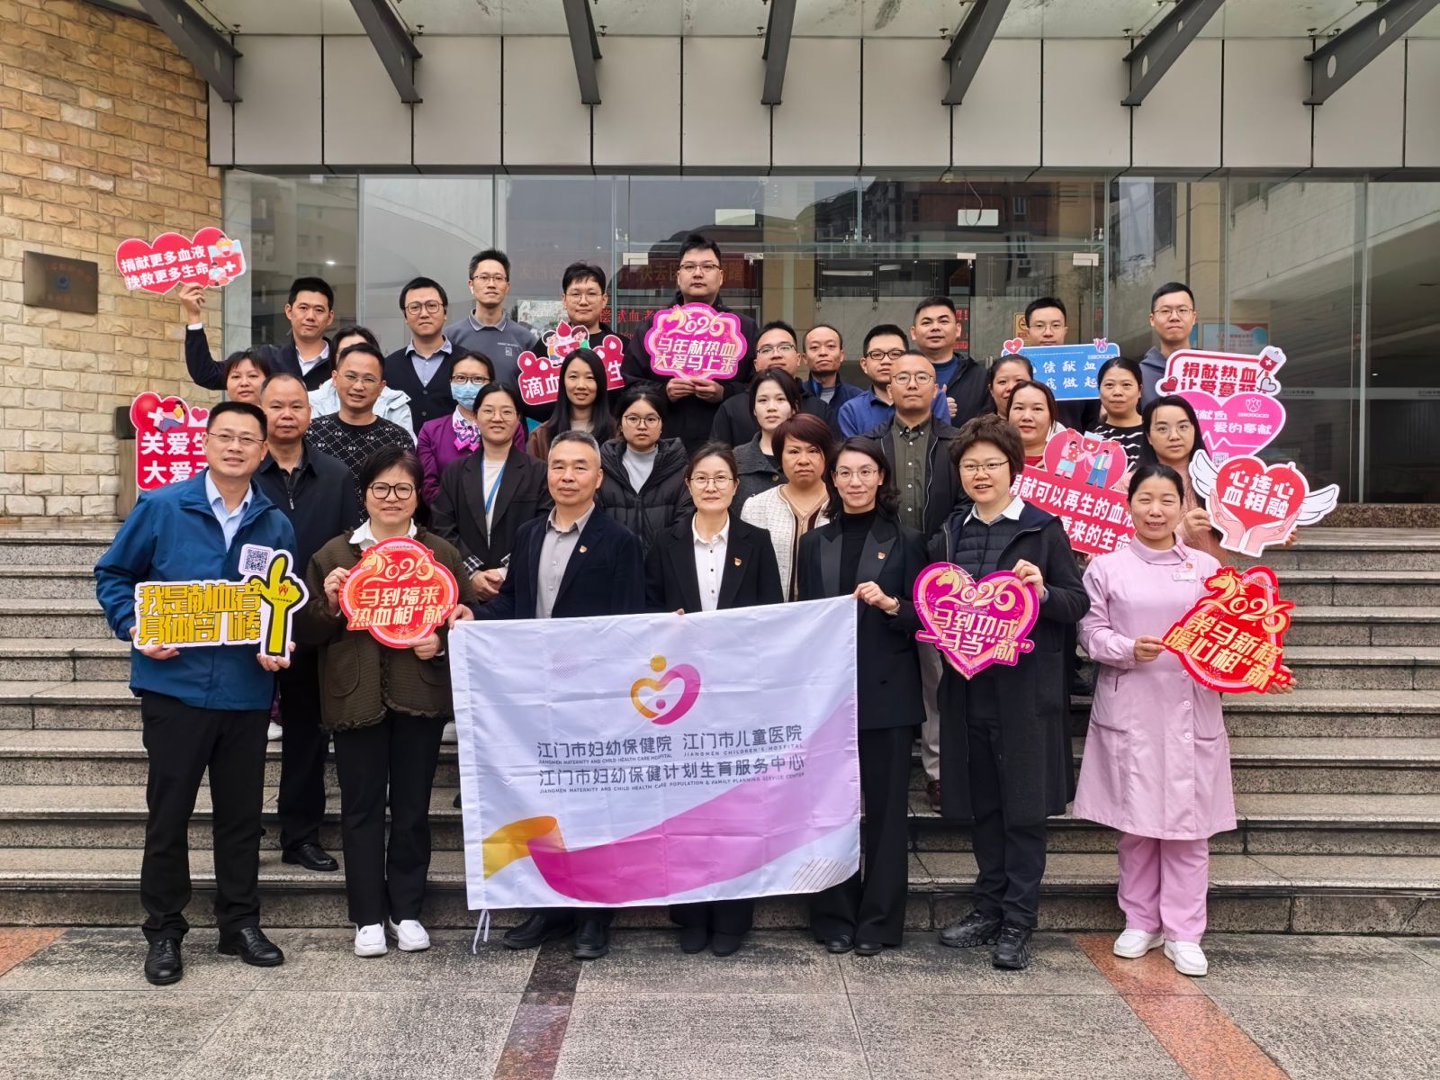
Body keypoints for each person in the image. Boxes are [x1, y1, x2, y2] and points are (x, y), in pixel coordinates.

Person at [94, 401, 296, 986]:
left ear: (263, 451)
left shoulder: (274, 522)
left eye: (247, 440)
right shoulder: (162, 506)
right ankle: (164, 930)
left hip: (245, 691)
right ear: (205, 443)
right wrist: (136, 625)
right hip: (174, 688)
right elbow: (113, 574)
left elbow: (280, 598)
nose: (235, 447)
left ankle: (240, 923)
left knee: (241, 818)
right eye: (225, 436)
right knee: (169, 815)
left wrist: (279, 641)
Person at [1075, 464, 1255, 978]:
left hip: (1190, 706)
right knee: (1135, 826)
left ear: (1182, 506)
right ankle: (1140, 921)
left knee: (1188, 828)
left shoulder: (1205, 567)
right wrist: (1126, 648)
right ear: (1129, 504)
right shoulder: (1105, 567)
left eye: (1166, 501)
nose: (1155, 511)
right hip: (1131, 704)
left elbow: (1236, 629)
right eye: (1145, 499)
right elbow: (1089, 632)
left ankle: (1185, 931)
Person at [297, 447, 477, 959]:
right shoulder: (335, 554)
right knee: (361, 808)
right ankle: (367, 916)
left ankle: (407, 911)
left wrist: (440, 641)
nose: (391, 498)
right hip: (354, 696)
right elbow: (305, 632)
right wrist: (331, 603)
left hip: (419, 693)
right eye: (381, 488)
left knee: (413, 807)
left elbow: (466, 619)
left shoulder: (440, 553)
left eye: (403, 489)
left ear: (418, 497)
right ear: (364, 495)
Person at [476, 430, 647, 960]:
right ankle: (549, 906)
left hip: (594, 698)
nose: (567, 476)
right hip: (537, 694)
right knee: (546, 801)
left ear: (599, 478)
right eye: (558, 466)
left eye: (579, 467)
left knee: (595, 806)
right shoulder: (529, 534)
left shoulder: (620, 541)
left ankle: (595, 914)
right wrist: (470, 617)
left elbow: (629, 626)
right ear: (546, 473)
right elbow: (514, 605)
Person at [932, 415, 1089, 971]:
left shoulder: (1042, 529)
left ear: (1013, 469)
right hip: (968, 689)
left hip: (1024, 694)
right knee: (985, 805)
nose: (981, 474)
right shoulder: (950, 531)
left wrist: (1041, 592)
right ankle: (988, 908)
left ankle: (1019, 920)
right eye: (970, 465)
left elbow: (1076, 603)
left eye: (991, 464)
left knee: (1023, 810)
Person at [644, 443, 784, 956]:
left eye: (720, 478)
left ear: (735, 486)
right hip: (679, 696)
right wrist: (666, 626)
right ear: (688, 486)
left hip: (737, 694)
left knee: (735, 809)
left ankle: (732, 916)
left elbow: (771, 615)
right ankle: (691, 914)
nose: (710, 486)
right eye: (701, 478)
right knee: (685, 808)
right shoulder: (665, 542)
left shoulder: (756, 541)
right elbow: (646, 609)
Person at [800, 438, 926, 955]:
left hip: (887, 695)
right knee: (829, 808)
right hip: (828, 696)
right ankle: (834, 915)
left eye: (865, 472)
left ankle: (880, 922)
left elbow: (926, 619)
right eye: (845, 473)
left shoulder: (908, 540)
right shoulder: (814, 542)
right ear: (832, 480)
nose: (854, 482)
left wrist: (892, 605)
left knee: (888, 813)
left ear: (881, 478)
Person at [254, 373, 360, 875]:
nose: (287, 415)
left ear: (310, 413)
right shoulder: (244, 470)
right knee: (243, 733)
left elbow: (350, 543)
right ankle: (243, 826)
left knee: (307, 734)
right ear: (261, 411)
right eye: (276, 406)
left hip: (313, 622)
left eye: (296, 406)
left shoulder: (335, 475)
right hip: (251, 622)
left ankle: (300, 834)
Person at [863, 351, 964, 812]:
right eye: (901, 377)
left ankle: (939, 772)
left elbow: (965, 503)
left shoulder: (957, 442)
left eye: (922, 377)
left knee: (936, 674)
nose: (911, 384)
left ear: (936, 388)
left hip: (940, 570)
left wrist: (941, 545)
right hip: (881, 568)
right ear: (888, 388)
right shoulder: (869, 443)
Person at [621, 233, 759, 452]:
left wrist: (725, 393)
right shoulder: (653, 327)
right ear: (678, 276)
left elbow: (759, 387)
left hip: (726, 446)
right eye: (689, 267)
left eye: (707, 267)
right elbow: (629, 384)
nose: (698, 273)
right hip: (664, 447)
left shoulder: (744, 328)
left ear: (721, 276)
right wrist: (663, 392)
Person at [431, 384, 552, 608]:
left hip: (520, 587)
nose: (497, 418)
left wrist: (505, 572)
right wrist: (472, 573)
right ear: (476, 417)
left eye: (506, 411)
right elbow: (442, 526)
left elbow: (543, 526)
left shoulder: (539, 472)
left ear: (518, 419)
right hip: (466, 594)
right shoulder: (455, 473)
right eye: (488, 411)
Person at [306, 343, 417, 506]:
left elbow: (406, 493)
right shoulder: (311, 432)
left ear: (381, 387)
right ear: (335, 379)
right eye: (351, 377)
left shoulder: (398, 438)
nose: (358, 386)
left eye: (368, 379)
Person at [739, 414, 835, 601]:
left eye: (813, 451)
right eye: (793, 451)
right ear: (780, 457)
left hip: (828, 613)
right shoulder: (757, 507)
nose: (803, 460)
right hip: (772, 612)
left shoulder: (842, 505)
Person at [182, 277, 335, 392]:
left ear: (330, 317)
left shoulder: (341, 362)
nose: (310, 316)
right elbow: (207, 374)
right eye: (303, 308)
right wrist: (194, 316)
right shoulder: (266, 358)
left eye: (319, 310)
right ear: (289, 311)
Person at [596, 385, 691, 554]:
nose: (642, 426)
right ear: (620, 424)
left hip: (665, 563)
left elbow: (685, 523)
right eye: (633, 419)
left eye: (651, 419)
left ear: (661, 425)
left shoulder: (681, 470)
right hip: (613, 562)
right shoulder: (602, 469)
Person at [709, 320, 828, 446]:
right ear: (756, 364)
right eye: (766, 350)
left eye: (784, 348)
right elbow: (717, 455)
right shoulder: (731, 409)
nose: (776, 355)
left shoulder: (820, 409)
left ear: (798, 359)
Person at [1140, 395, 1225, 561]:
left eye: (1183, 427)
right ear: (1149, 437)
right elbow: (1126, 547)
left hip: (1212, 577)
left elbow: (1238, 547)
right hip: (1154, 577)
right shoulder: (1130, 484)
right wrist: (1182, 532)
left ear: (1194, 430)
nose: (1174, 436)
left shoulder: (1219, 480)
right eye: (1162, 429)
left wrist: (1264, 533)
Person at [444, 249, 543, 387]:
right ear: (471, 285)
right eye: (484, 277)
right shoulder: (450, 336)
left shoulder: (525, 339)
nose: (491, 284)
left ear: (507, 287)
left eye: (498, 278)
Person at [834, 324, 947, 437]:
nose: (886, 361)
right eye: (877, 354)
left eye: (895, 354)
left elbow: (942, 443)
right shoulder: (851, 410)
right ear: (864, 365)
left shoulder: (934, 398)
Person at [416, 351, 497, 504]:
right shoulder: (430, 430)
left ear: (491, 384)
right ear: (450, 382)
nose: (468, 385)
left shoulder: (508, 426)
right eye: (460, 378)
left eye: (478, 379)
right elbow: (428, 487)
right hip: (445, 516)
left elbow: (515, 478)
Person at [383, 277, 456, 433]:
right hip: (401, 448)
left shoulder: (467, 362)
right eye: (415, 307)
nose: (424, 314)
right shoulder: (388, 366)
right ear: (405, 316)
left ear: (445, 312)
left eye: (432, 306)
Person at [311, 325, 414, 430]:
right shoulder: (313, 401)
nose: (354, 357)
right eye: (344, 352)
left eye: (361, 350)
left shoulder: (394, 403)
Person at [1022, 296, 1098, 431]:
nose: (1048, 333)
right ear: (1028, 332)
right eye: (1039, 326)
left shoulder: (1083, 370)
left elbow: (1093, 421)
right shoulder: (1018, 370)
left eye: (1056, 325)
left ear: (1065, 330)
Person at [527, 347, 618, 460]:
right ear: (563, 382)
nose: (581, 385)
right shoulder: (540, 436)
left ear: (600, 383)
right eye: (573, 377)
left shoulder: (616, 433)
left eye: (590, 377)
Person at [911, 296, 987, 425]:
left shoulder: (979, 377)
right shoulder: (901, 376)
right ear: (914, 333)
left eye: (943, 321)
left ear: (958, 329)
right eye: (926, 323)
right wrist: (934, 410)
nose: (935, 328)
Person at [733, 369, 801, 508]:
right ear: (754, 409)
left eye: (780, 399)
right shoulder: (736, 458)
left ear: (794, 407)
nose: (771, 408)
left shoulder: (810, 457)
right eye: (763, 400)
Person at [1140, 283, 1197, 406]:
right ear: (1152, 319)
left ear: (1193, 318)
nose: (1174, 317)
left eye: (1182, 310)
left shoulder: (1213, 370)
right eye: (1165, 311)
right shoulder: (1139, 375)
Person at [1090, 357, 1147, 470]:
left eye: (1126, 385)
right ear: (1099, 391)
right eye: (1109, 385)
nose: (1117, 392)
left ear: (1140, 390)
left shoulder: (1155, 430)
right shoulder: (1093, 440)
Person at [559, 261, 627, 346]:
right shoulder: (548, 345)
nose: (583, 302)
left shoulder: (622, 346)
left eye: (591, 294)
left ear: (604, 300)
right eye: (576, 294)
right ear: (564, 300)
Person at [801, 323, 863, 415]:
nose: (823, 353)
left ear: (841, 355)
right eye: (814, 347)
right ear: (805, 358)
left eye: (830, 346)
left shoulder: (858, 398)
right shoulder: (795, 397)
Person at [1005, 379, 1064, 467]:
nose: (1027, 417)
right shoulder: (992, 457)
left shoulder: (1068, 462)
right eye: (1019, 408)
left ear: (1051, 416)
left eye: (1037, 409)